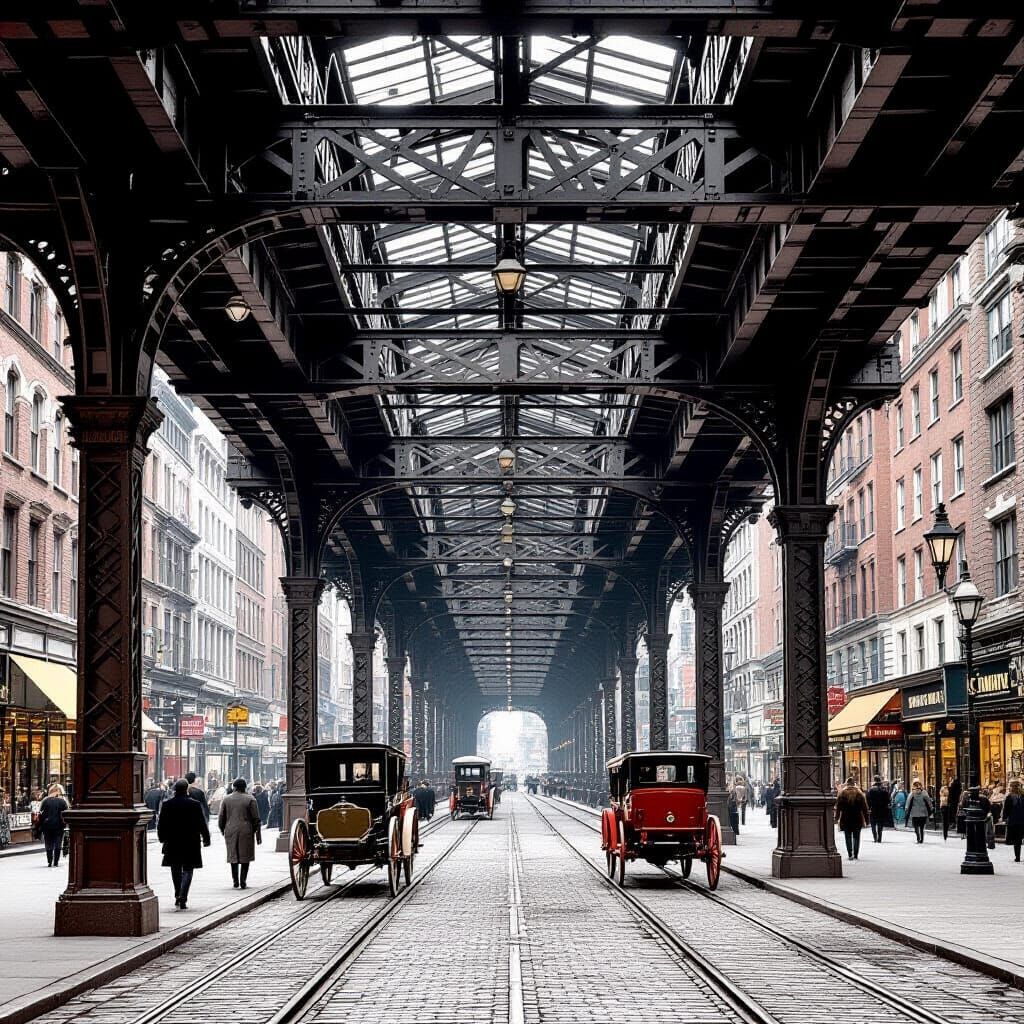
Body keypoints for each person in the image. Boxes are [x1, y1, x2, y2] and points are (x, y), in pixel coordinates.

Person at [157, 778, 211, 910]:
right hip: (190, 841)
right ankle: (183, 896)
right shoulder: (195, 804)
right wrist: (206, 837)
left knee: (175, 869)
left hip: (172, 841)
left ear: (175, 790)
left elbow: (161, 824)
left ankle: (177, 894)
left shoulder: (167, 804)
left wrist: (161, 838)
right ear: (187, 789)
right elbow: (201, 823)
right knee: (188, 869)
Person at [218, 778, 262, 889]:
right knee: (245, 856)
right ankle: (243, 881)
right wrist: (256, 832)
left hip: (230, 829)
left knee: (233, 855)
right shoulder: (250, 799)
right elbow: (256, 818)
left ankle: (235, 881)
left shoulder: (226, 799)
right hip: (246, 830)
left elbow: (221, 817)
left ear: (234, 787)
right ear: (244, 787)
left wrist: (222, 829)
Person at [834, 777, 869, 860]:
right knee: (857, 837)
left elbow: (838, 808)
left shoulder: (842, 794)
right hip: (857, 819)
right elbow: (865, 809)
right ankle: (856, 854)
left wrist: (837, 818)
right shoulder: (860, 794)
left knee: (848, 837)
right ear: (854, 784)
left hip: (845, 819)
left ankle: (850, 854)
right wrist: (867, 820)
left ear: (847, 784)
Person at [38, 784, 69, 867]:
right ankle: (56, 861)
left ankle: (49, 860)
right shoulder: (62, 802)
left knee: (48, 843)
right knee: (58, 843)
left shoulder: (45, 801)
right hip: (59, 826)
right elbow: (66, 814)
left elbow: (40, 814)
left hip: (47, 826)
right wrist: (65, 824)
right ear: (58, 791)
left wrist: (41, 824)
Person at [1001, 779, 1024, 862]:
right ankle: (1017, 856)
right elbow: (1006, 809)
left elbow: (1005, 810)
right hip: (1014, 820)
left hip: (1019, 820)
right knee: (1017, 840)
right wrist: (1005, 818)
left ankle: (1017, 856)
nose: (1014, 788)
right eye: (1013, 786)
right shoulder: (1009, 797)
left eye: (1016, 786)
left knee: (1017, 840)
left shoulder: (1021, 796)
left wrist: (1005, 817)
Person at [865, 775, 890, 843]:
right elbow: (888, 800)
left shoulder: (871, 789)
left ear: (874, 780)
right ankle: (879, 837)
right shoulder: (884, 789)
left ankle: (875, 837)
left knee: (873, 824)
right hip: (882, 809)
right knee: (880, 824)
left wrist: (869, 808)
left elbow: (867, 800)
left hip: (873, 809)